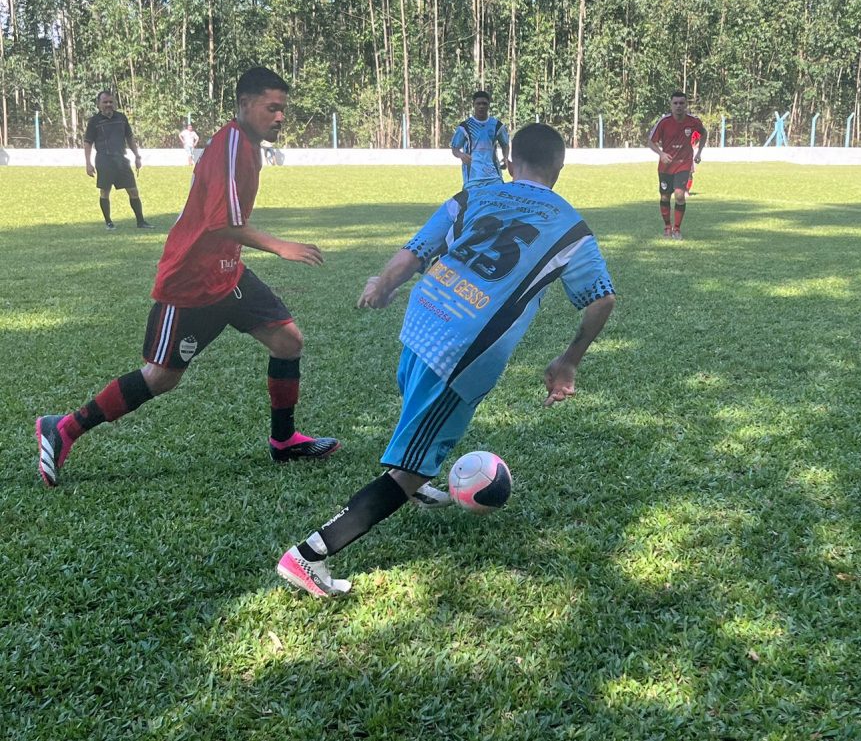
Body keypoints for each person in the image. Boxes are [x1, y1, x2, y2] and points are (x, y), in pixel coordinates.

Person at [276, 123, 616, 598]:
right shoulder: (571, 227)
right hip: (464, 347)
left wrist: (383, 285)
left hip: (424, 314)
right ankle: (309, 555)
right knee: (414, 465)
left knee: (418, 399)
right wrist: (569, 359)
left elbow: (416, 251)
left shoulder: (473, 195)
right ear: (559, 168)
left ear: (509, 163)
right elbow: (601, 299)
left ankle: (413, 480)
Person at [35, 67, 339, 488]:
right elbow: (221, 223)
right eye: (272, 108)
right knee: (160, 378)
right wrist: (282, 246)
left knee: (288, 342)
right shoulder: (230, 146)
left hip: (228, 274)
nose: (280, 117)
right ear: (245, 104)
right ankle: (63, 427)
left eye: (283, 109)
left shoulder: (248, 146)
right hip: (190, 282)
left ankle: (284, 441)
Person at [83, 90, 151, 229]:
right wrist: (88, 163)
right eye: (105, 102)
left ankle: (141, 222)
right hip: (104, 160)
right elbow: (88, 142)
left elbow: (129, 138)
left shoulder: (121, 118)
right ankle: (109, 222)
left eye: (111, 102)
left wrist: (137, 156)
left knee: (133, 191)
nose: (108, 104)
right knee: (105, 192)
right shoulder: (94, 121)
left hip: (121, 160)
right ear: (99, 104)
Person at [648, 91, 706, 239]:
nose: (678, 106)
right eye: (675, 103)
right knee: (665, 197)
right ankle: (667, 227)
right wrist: (661, 154)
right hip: (666, 166)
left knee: (680, 195)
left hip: (684, 164)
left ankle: (677, 229)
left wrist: (699, 152)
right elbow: (650, 141)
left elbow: (704, 133)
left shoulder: (693, 121)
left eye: (681, 103)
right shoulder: (664, 122)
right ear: (671, 105)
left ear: (686, 104)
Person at [450, 90, 510, 187]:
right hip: (473, 177)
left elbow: (505, 144)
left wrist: (506, 157)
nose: (481, 106)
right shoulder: (465, 126)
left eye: (484, 103)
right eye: (478, 104)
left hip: (494, 176)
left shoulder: (497, 125)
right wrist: (461, 155)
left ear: (489, 105)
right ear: (473, 105)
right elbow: (454, 148)